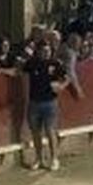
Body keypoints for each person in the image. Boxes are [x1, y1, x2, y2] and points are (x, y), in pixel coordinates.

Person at [13, 40, 70, 171]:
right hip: (34, 102)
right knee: (36, 133)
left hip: (50, 102)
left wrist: (61, 86)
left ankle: (54, 158)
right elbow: (19, 70)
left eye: (48, 51)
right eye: (44, 51)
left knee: (50, 131)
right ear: (38, 51)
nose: (46, 53)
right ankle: (39, 159)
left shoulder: (55, 63)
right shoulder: (31, 63)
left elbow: (67, 78)